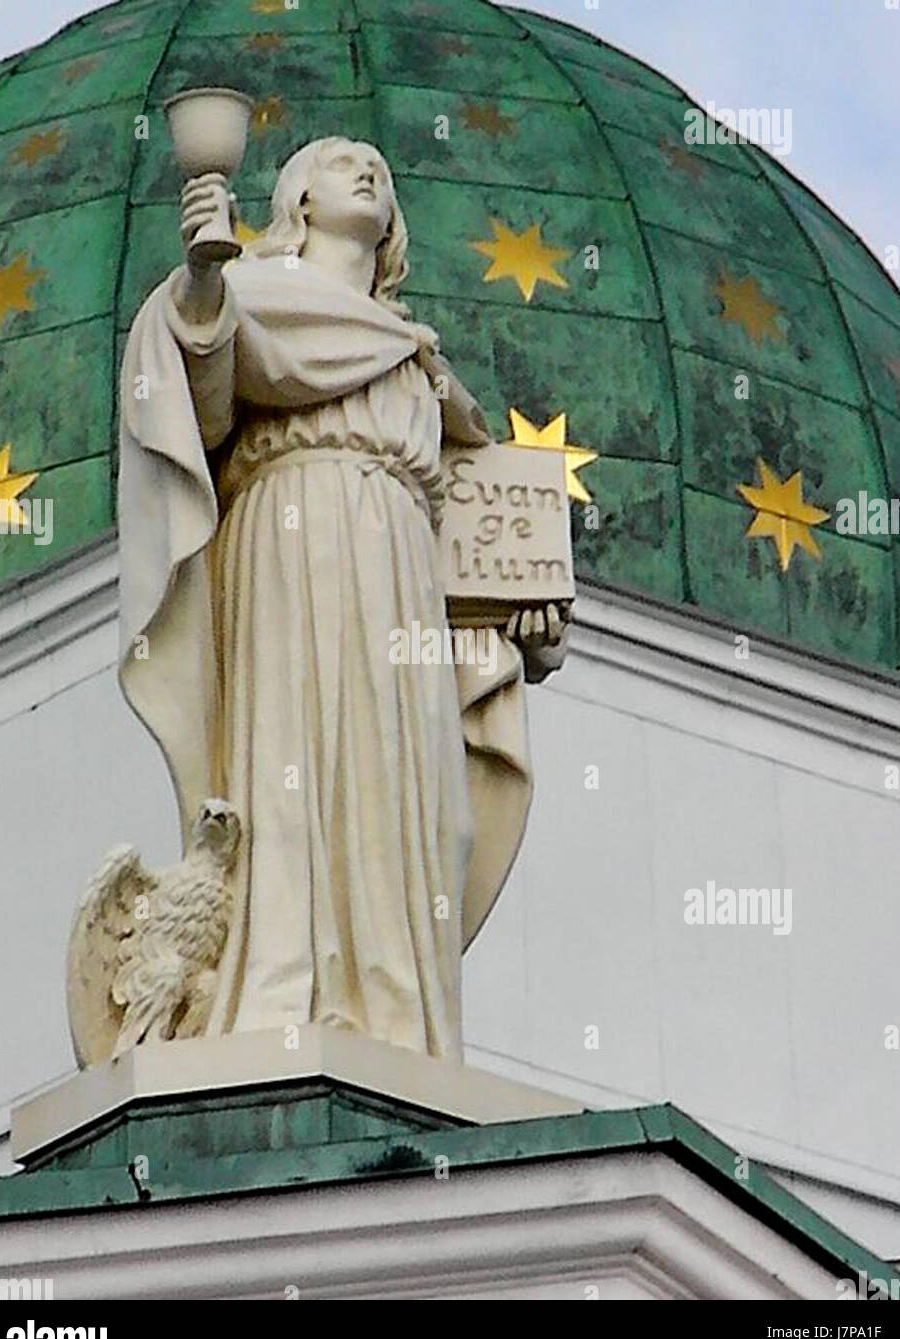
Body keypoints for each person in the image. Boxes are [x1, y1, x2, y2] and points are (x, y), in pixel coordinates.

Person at [118, 137, 567, 1060]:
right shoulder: (257, 295)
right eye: (339, 163)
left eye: (379, 169)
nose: (367, 172)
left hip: (398, 562)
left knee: (419, 800)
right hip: (291, 532)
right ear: (299, 203)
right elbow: (197, 404)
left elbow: (485, 552)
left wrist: (518, 628)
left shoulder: (421, 365)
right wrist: (203, 281)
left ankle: (397, 1015)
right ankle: (282, 995)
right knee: (297, 761)